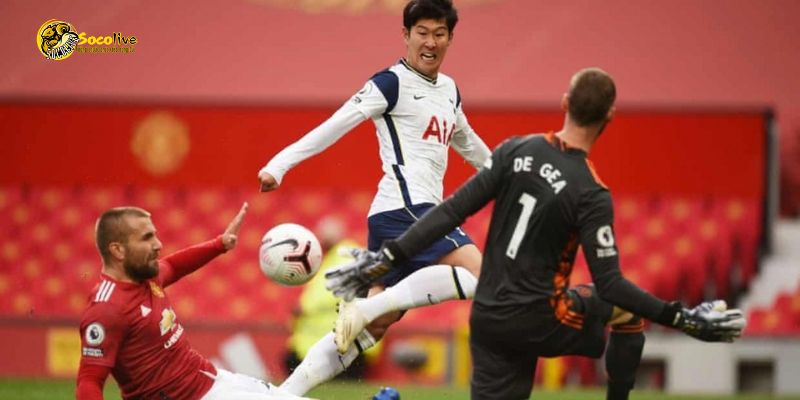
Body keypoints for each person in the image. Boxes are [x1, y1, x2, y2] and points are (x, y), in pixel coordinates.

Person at [326, 68, 747, 400]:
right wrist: (681, 317)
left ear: (565, 103)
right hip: (541, 316)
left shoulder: (514, 151)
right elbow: (611, 284)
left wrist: (385, 260)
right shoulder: (591, 192)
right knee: (626, 314)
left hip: (489, 315)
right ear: (610, 117)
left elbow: (450, 210)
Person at [258, 0, 490, 395]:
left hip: (406, 215)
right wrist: (279, 165)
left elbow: (473, 148)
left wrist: (515, 173)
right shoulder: (391, 82)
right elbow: (336, 124)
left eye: (439, 34)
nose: (430, 42)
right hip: (407, 209)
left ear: (450, 38)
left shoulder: (449, 90)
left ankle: (284, 393)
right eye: (422, 33)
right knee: (482, 277)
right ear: (405, 35)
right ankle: (367, 305)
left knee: (370, 330)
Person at [75, 203, 312, 400]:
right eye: (147, 238)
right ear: (118, 250)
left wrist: (220, 244)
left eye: (155, 235)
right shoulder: (106, 308)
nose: (158, 244)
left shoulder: (146, 277)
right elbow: (89, 381)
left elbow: (175, 265)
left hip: (209, 379)